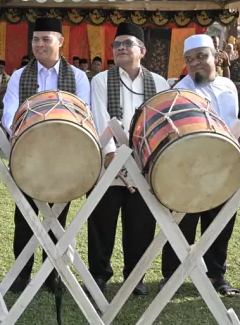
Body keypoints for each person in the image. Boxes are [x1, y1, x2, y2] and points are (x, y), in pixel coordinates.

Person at [1, 17, 90, 294]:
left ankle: (53, 272)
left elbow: (83, 112)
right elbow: (8, 114)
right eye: (36, 40)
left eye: (45, 39)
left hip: (64, 156)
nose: (39, 44)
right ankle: (21, 272)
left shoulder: (77, 76)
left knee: (59, 215)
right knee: (25, 215)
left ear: (60, 42)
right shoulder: (19, 75)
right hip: (28, 155)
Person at [87, 22, 170, 296]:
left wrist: (146, 161)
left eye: (128, 44)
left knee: (141, 223)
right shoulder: (101, 80)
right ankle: (99, 274)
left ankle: (136, 276)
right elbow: (100, 117)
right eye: (117, 44)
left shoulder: (158, 82)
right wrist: (110, 153)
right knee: (102, 221)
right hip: (109, 163)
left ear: (142, 50)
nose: (121, 48)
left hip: (143, 165)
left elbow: (159, 124)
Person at [160, 34, 240, 297]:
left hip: (225, 165)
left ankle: (217, 275)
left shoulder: (229, 86)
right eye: (189, 59)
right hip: (189, 168)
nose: (195, 64)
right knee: (182, 222)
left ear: (216, 57)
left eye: (201, 56)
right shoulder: (178, 91)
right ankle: (171, 275)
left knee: (220, 222)